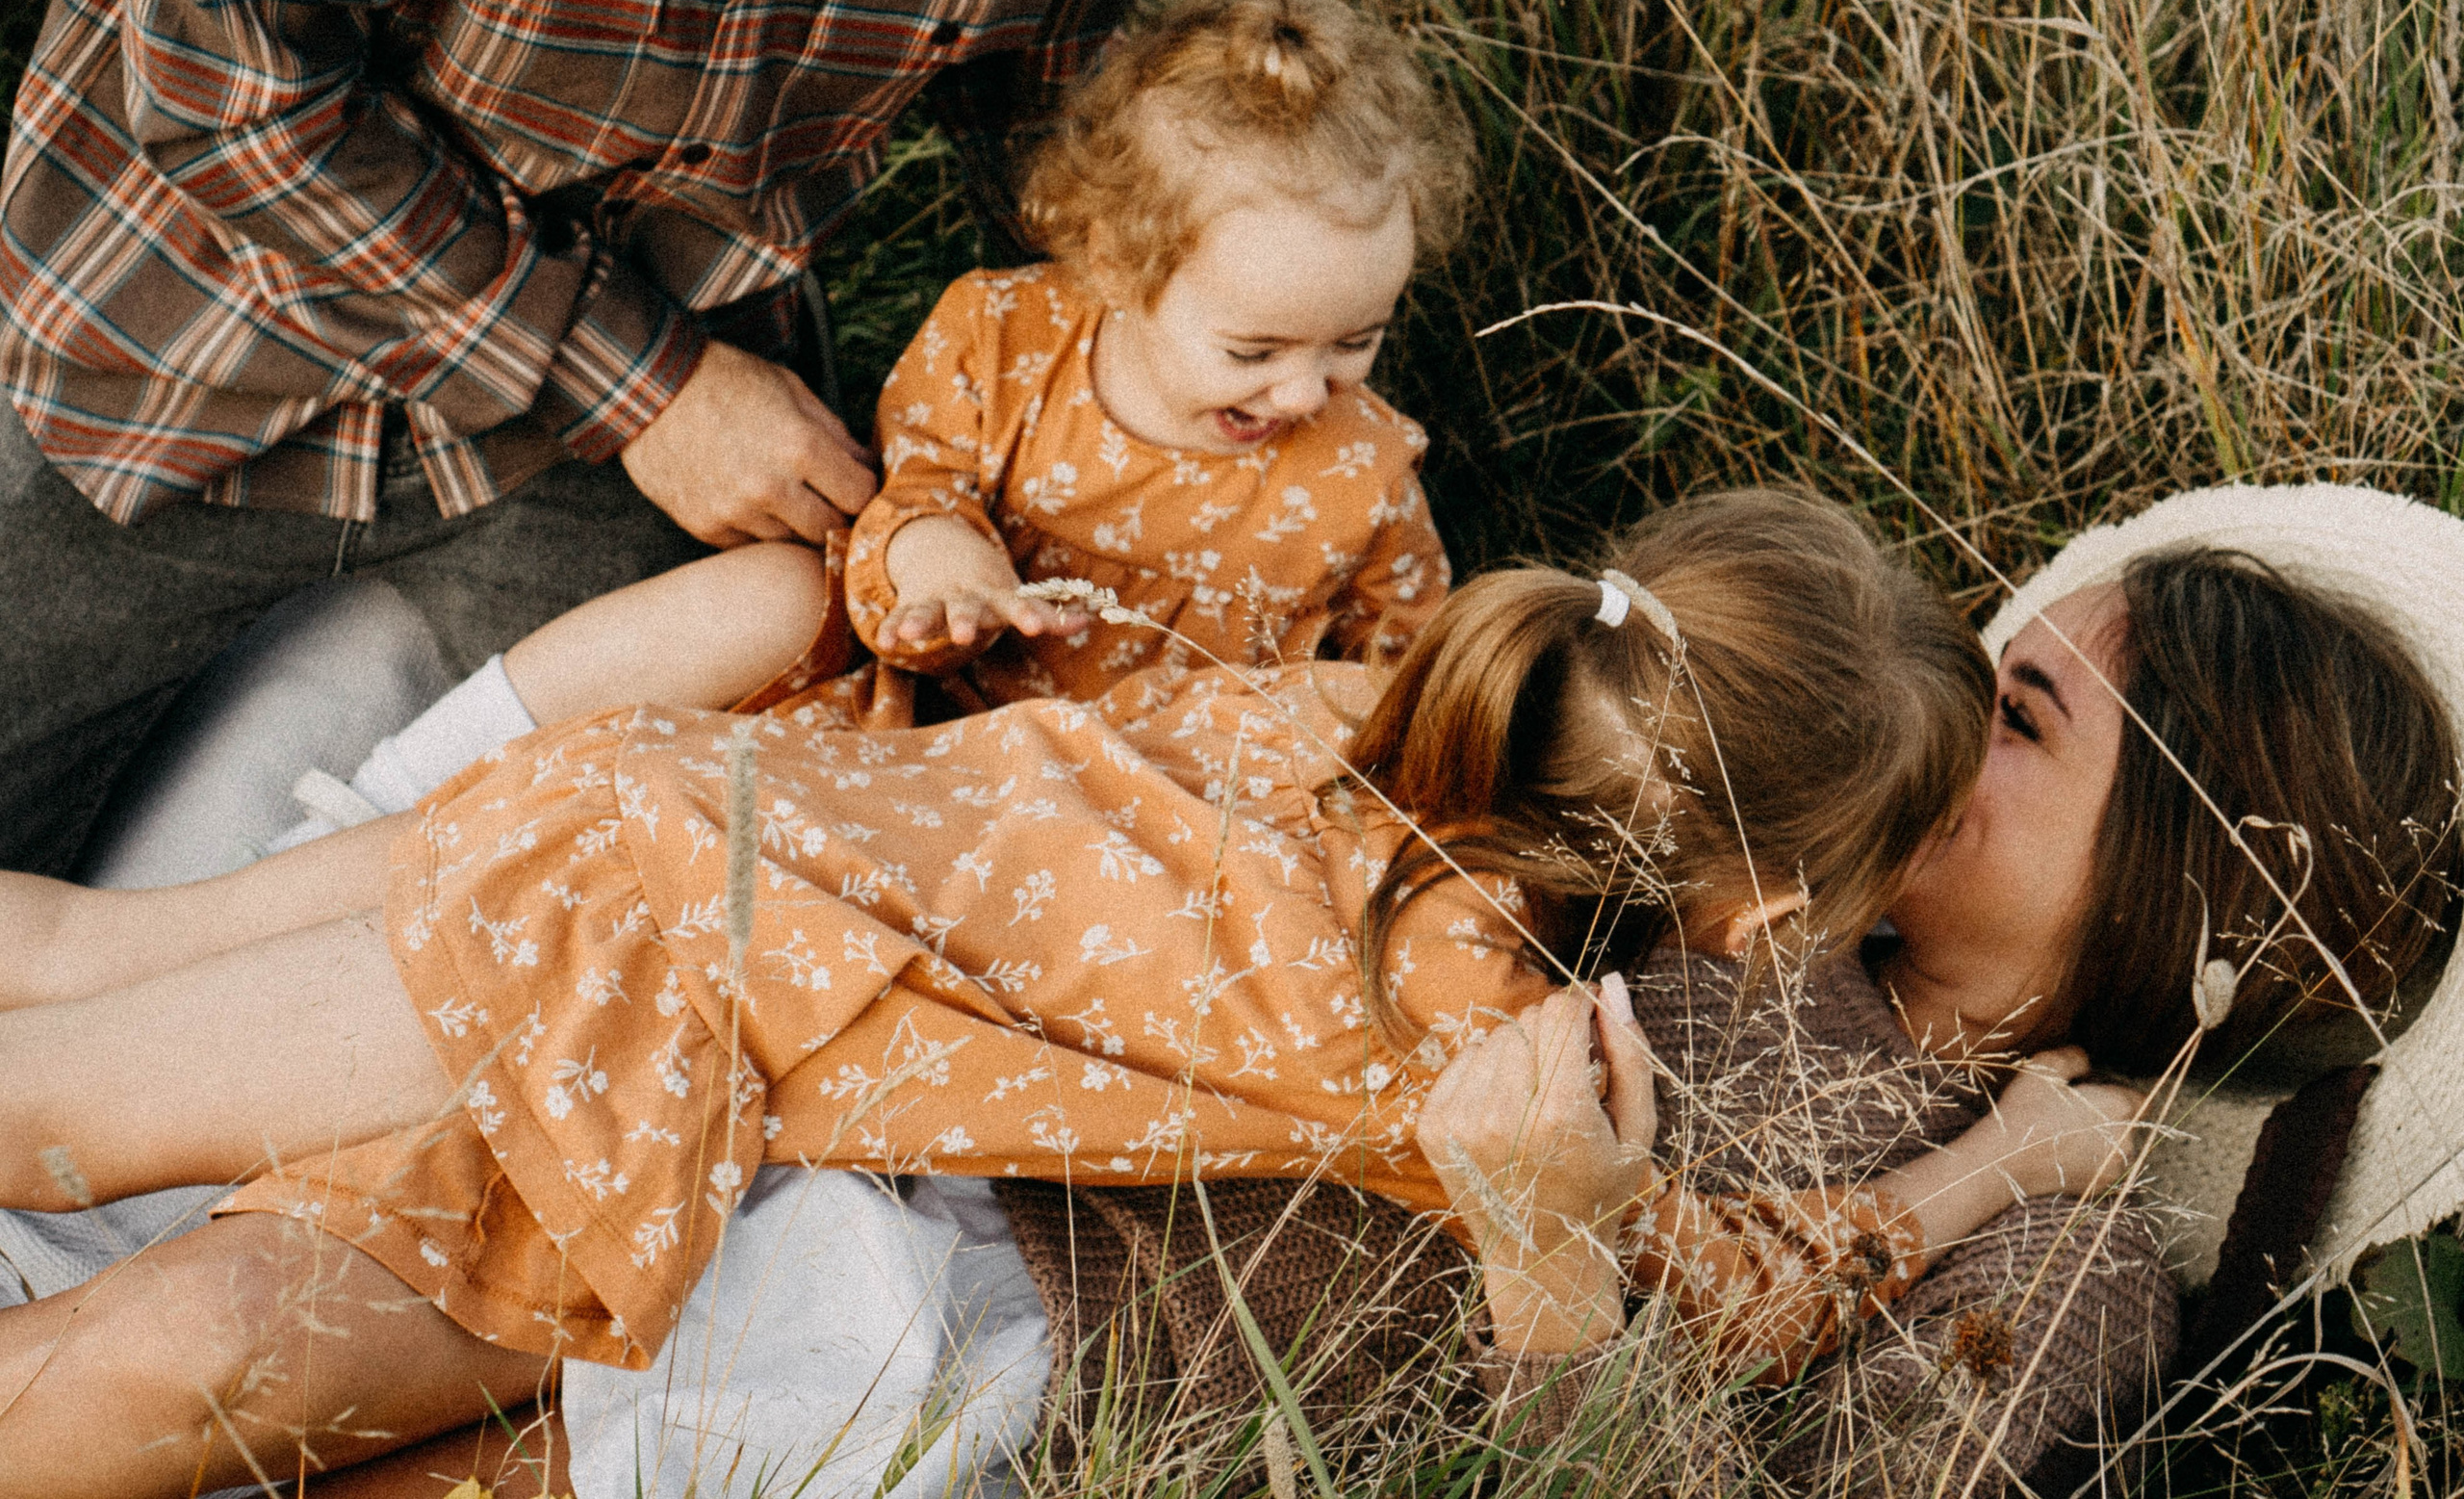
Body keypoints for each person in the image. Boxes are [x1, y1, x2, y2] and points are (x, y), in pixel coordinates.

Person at [0, 488, 1998, 1496]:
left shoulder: (1360, 704)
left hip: (663, 810)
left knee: (61, 1091)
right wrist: (1974, 1180)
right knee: (149, 1346)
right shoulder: (1462, 1038)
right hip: (689, 1009)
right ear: (1761, 911)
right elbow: (1705, 1288)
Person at [0, 0, 1228, 878]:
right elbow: (227, 97)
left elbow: (1051, 151)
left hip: (600, 459)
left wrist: (1243, 303)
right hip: (181, 355)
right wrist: (651, 390)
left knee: (572, 887)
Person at [262, 0, 1472, 853]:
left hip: (1147, 813)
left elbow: (1414, 671)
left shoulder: (1359, 469)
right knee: (762, 611)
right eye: (1254, 351)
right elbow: (916, 495)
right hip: (921, 722)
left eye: (1354, 342)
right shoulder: (1003, 340)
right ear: (1113, 261)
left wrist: (1339, 758)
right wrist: (942, 570)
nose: (1305, 393)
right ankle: (404, 792)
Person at [1417, 538, 2464, 1491]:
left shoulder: (2062, 1278)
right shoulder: (1750, 849)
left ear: (2164, 888)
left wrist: (1548, 1275)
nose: (1936, 712)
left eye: (2017, 717)